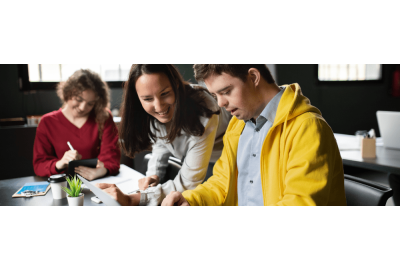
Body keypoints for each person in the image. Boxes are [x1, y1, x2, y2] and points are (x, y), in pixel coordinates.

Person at [162, 64, 347, 206]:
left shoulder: (307, 128)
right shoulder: (237, 126)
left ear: (253, 77)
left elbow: (299, 203)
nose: (220, 103)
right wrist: (190, 201)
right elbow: (221, 183)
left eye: (225, 92)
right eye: (215, 95)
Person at [96, 64, 231, 206]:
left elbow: (189, 181)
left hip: (223, 158)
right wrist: (153, 176)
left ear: (176, 86)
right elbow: (161, 145)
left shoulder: (204, 108)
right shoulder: (149, 115)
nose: (159, 107)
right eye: (148, 99)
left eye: (165, 93)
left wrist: (136, 198)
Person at [33, 69, 120, 180]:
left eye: (90, 104)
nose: (83, 107)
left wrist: (101, 171)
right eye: (79, 99)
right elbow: (39, 165)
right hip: (62, 185)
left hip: (97, 182)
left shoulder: (103, 117)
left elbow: (111, 159)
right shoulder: (47, 122)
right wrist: (60, 163)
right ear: (67, 93)